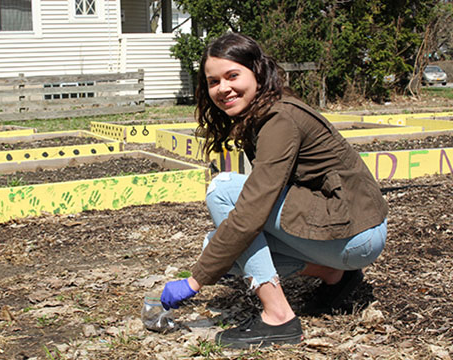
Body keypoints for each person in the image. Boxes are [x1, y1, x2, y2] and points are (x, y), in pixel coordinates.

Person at [160, 33, 388, 349]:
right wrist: (213, 263)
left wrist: (195, 280)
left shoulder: (279, 118)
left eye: (232, 75)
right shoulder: (263, 112)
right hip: (351, 231)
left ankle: (278, 317)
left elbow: (253, 210)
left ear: (257, 71)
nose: (222, 88)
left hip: (356, 232)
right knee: (217, 245)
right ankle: (334, 275)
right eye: (213, 81)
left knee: (223, 190)